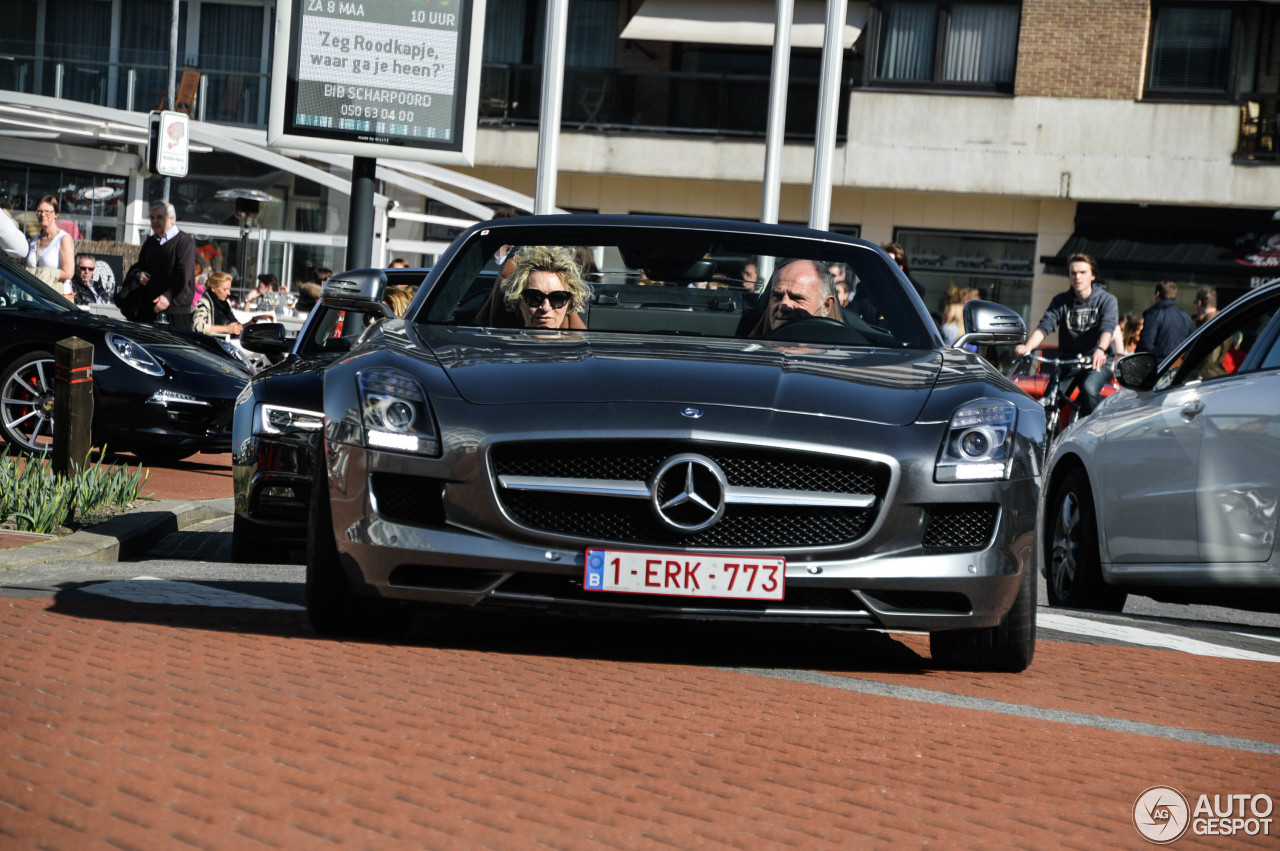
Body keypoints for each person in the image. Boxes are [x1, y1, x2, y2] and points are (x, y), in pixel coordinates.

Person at [1014, 253, 1119, 418]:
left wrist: (1101, 349)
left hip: (1096, 363)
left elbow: (1108, 327)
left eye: (1083, 272)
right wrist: (1028, 347)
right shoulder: (1061, 301)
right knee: (1049, 402)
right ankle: (1047, 436)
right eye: (1073, 273)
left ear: (1093, 275)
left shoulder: (1106, 300)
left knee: (1089, 390)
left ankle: (1097, 424)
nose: (1077, 277)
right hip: (1068, 362)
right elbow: (1045, 326)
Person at [134, 200, 196, 328]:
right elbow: (140, 266)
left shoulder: (184, 242)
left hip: (175, 313)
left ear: (171, 219)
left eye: (159, 217)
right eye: (152, 218)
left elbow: (183, 273)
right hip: (150, 310)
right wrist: (140, 274)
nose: (155, 221)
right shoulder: (150, 243)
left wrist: (168, 297)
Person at [500, 245, 591, 329]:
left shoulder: (585, 345)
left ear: (569, 303)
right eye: (534, 297)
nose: (545, 308)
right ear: (519, 301)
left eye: (557, 298)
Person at [762, 259, 839, 333]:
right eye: (777, 296)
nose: (783, 306)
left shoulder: (841, 344)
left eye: (796, 298)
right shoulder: (754, 343)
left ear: (826, 305)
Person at [1136, 280, 1194, 364]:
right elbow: (1190, 344)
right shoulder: (1185, 316)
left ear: (1157, 294)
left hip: (1160, 367)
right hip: (1179, 367)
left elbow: (1146, 344)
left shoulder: (1154, 314)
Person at [27, 196, 74, 298]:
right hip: (36, 296)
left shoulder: (63, 239)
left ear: (56, 214)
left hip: (58, 297)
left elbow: (68, 273)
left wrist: (37, 273)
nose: (43, 215)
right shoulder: (35, 240)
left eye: (47, 212)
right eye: (39, 211)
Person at [193, 271, 245, 337]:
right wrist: (226, 329)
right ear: (213, 289)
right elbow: (197, 327)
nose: (229, 293)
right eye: (225, 289)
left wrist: (253, 321)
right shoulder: (205, 303)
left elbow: (235, 326)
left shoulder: (225, 304)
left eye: (229, 289)